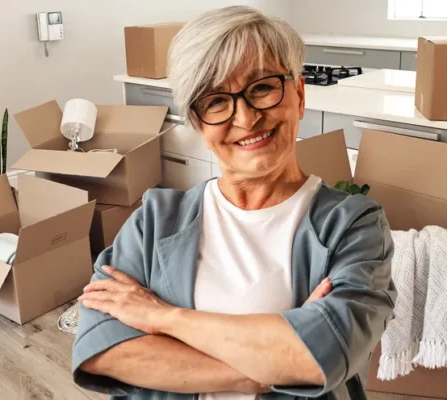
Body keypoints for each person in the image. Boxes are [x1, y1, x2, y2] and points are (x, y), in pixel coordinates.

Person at [71, 5, 397, 400]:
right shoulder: (155, 220)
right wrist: (267, 368)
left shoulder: (352, 225)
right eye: (215, 101)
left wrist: (161, 317)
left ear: (298, 93)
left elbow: (323, 356)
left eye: (262, 87)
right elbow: (99, 351)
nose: (245, 118)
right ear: (197, 122)